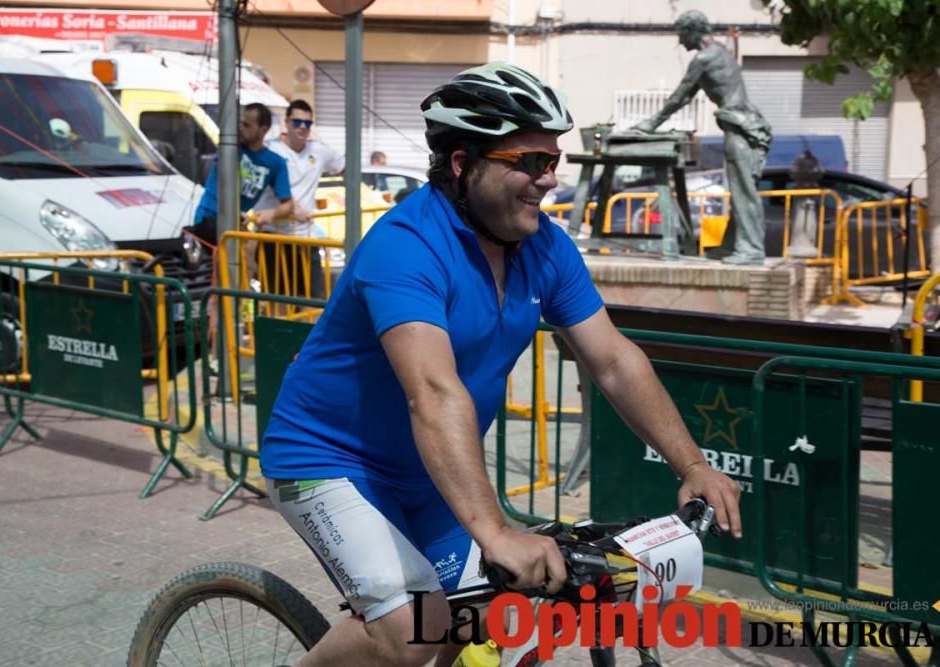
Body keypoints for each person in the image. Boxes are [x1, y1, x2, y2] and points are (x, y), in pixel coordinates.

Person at [261, 63, 742, 667]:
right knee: (413, 634)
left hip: (430, 476)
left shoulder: (545, 245)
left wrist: (692, 463)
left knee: (496, 619)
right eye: (530, 162)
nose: (548, 179)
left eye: (553, 160)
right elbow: (433, 393)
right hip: (330, 463)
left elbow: (614, 360)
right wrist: (494, 532)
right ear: (463, 164)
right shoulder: (405, 246)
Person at [632, 10, 772, 265]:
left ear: (692, 31)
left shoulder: (704, 59)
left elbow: (680, 96)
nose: (680, 41)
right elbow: (686, 97)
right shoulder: (720, 52)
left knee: (744, 192)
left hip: (741, 129)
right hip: (747, 126)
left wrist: (651, 124)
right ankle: (732, 245)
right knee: (741, 190)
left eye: (681, 34)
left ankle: (750, 250)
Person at [265, 99, 345, 299]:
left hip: (306, 236)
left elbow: (347, 169)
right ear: (287, 123)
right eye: (297, 122)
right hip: (275, 236)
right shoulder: (272, 150)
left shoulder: (317, 149)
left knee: (312, 299)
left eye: (308, 123)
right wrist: (293, 207)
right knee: (279, 300)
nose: (302, 127)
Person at [191, 103, 292, 249]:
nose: (241, 128)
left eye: (246, 125)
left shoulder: (276, 163)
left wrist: (271, 213)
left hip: (236, 223)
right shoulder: (230, 147)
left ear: (263, 130)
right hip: (209, 219)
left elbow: (288, 205)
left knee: (248, 259)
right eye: (240, 123)